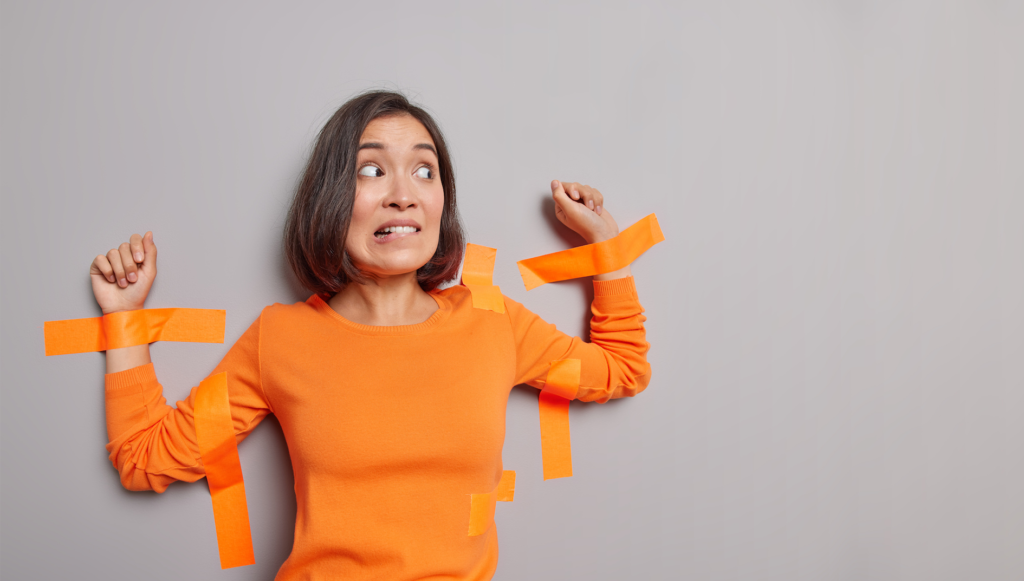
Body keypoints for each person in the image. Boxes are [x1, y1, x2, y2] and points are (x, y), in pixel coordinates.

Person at [91, 91, 651, 580]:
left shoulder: (492, 320)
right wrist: (124, 317)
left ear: (440, 204)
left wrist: (607, 247)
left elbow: (623, 370)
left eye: (425, 171)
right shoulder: (281, 340)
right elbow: (144, 458)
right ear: (331, 198)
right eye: (371, 170)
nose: (403, 194)